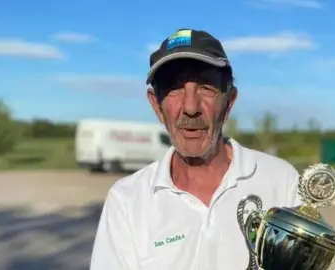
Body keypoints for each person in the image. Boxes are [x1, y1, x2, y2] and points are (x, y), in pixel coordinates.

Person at [90, 28, 303, 270]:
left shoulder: (280, 180)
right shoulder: (127, 200)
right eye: (174, 88)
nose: (191, 107)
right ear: (156, 105)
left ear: (229, 102)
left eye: (206, 88)